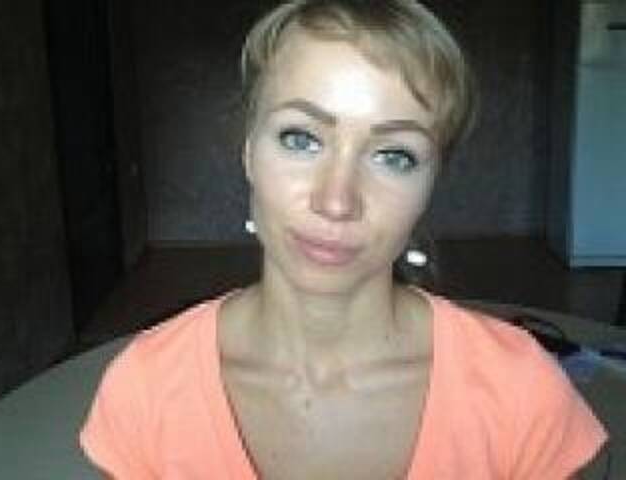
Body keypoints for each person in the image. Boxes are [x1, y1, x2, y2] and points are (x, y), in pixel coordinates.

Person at [80, 0, 608, 478]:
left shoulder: (521, 392)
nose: (336, 201)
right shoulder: (144, 391)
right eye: (301, 138)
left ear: (431, 183)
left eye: (394, 156)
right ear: (248, 153)